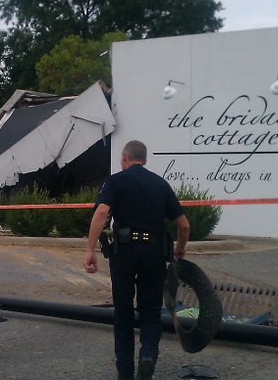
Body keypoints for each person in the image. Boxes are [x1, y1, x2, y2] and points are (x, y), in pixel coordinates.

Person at [83, 140, 190, 380]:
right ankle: (148, 356)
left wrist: (90, 249)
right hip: (154, 253)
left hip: (125, 252)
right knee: (151, 312)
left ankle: (125, 374)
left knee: (123, 314)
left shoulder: (115, 181)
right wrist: (180, 249)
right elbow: (184, 225)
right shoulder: (161, 185)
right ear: (144, 159)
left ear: (124, 158)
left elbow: (101, 212)